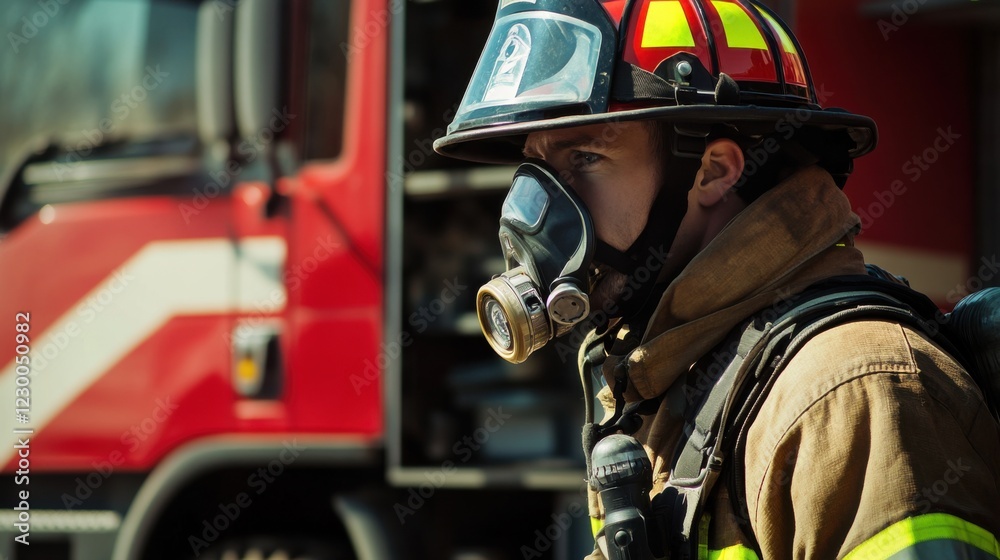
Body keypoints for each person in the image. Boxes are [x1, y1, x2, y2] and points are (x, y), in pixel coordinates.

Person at [433, 1, 1000, 558]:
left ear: (714, 170)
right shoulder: (671, 369)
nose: (537, 214)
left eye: (584, 159)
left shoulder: (852, 395)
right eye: (535, 169)